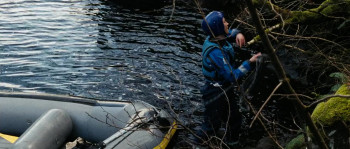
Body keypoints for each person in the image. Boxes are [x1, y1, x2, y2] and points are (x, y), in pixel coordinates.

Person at [196, 11, 261, 145]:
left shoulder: (216, 36)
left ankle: (232, 143)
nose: (227, 23)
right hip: (215, 92)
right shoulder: (215, 53)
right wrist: (249, 62)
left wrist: (238, 34)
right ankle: (197, 144)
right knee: (211, 125)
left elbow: (230, 32)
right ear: (219, 28)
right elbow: (232, 76)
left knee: (234, 119)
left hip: (224, 89)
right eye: (224, 22)